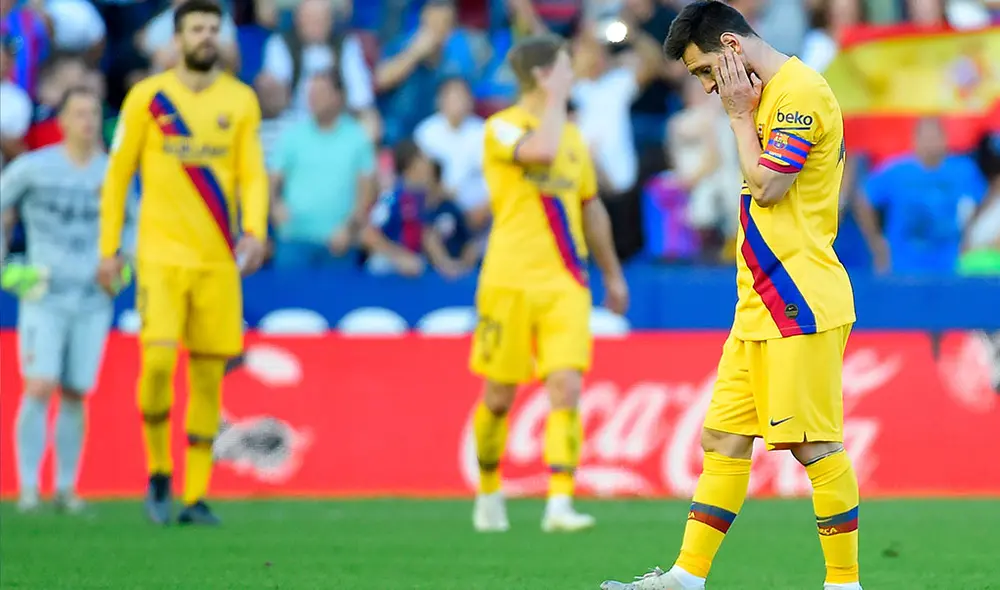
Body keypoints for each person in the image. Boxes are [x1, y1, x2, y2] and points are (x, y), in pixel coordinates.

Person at [602, 2, 859, 589]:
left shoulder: (798, 93)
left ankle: (845, 584)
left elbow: (769, 187)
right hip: (758, 301)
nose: (707, 86)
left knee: (814, 447)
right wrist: (741, 114)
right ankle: (686, 580)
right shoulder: (764, 97)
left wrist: (739, 118)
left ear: (733, 48)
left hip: (800, 296)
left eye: (704, 71)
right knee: (722, 436)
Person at [98, 0, 268, 527]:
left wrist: (257, 231)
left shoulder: (239, 101)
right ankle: (156, 471)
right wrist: (109, 248)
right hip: (160, 257)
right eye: (196, 28)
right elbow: (117, 175)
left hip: (217, 261)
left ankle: (194, 496)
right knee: (157, 364)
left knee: (209, 376)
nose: (206, 37)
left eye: (214, 29)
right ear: (176, 38)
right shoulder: (148, 100)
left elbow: (253, 174)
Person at [470, 35, 628, 533]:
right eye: (564, 65)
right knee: (499, 396)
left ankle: (560, 503)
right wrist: (558, 102)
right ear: (543, 75)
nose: (572, 71)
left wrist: (612, 273)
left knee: (566, 387)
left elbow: (591, 206)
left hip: (565, 280)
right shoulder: (501, 128)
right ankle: (489, 489)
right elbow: (537, 153)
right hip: (509, 281)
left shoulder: (575, 140)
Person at [0, 87, 132, 513]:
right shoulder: (35, 168)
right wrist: (8, 267)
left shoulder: (113, 173)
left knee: (76, 391)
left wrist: (122, 265)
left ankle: (66, 487)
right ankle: (27, 488)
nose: (88, 121)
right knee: (39, 385)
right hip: (45, 294)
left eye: (94, 113)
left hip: (92, 297)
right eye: (79, 113)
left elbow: (136, 226)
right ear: (62, 121)